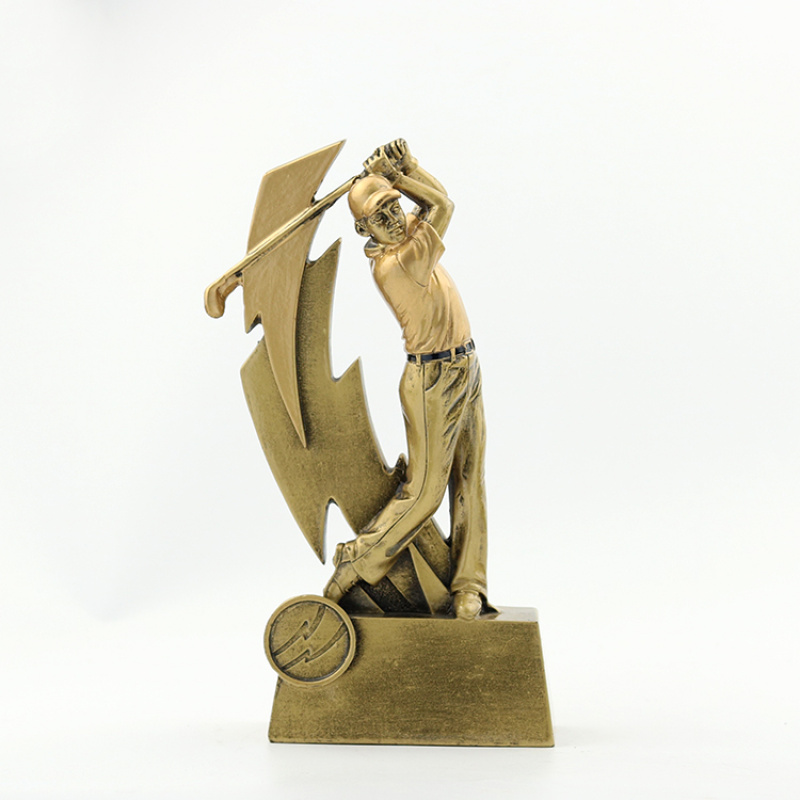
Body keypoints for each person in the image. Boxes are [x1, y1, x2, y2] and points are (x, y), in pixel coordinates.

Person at [324, 140, 489, 620]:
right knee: (425, 493)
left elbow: (433, 201)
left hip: (465, 366)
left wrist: (408, 167)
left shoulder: (405, 239)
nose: (394, 219)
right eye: (380, 215)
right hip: (432, 379)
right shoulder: (397, 264)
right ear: (364, 229)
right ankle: (357, 561)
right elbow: (443, 206)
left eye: (394, 207)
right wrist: (399, 175)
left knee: (470, 476)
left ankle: (469, 584)